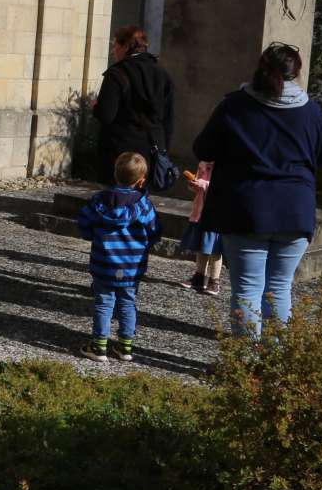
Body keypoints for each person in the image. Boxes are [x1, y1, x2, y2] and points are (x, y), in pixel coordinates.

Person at [194, 43, 322, 336]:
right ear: (296, 73)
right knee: (279, 287)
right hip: (295, 209)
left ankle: (245, 366)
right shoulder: (310, 111)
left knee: (247, 287)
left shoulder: (234, 105)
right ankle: (275, 365)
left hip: (245, 208)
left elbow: (203, 147)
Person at [77, 151, 161, 363]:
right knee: (127, 302)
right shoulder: (144, 206)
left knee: (104, 303)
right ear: (141, 181)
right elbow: (154, 232)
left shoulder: (99, 201)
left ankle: (99, 345)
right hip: (132, 267)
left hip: (104, 263)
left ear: (115, 174)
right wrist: (143, 246)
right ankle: (125, 346)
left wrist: (94, 237)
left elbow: (84, 226)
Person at [94, 25, 175, 185]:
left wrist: (95, 106)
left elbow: (106, 115)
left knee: (116, 199)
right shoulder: (162, 74)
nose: (112, 51)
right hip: (151, 150)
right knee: (140, 199)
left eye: (115, 46)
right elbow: (168, 118)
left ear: (125, 47)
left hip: (120, 153)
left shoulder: (116, 74)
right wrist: (164, 149)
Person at [178, 161, 222, 296]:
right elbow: (198, 187)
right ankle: (199, 275)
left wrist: (202, 184)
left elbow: (222, 189)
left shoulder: (225, 164)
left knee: (215, 248)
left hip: (216, 213)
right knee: (200, 245)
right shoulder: (203, 163)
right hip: (200, 210)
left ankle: (214, 280)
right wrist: (194, 184)